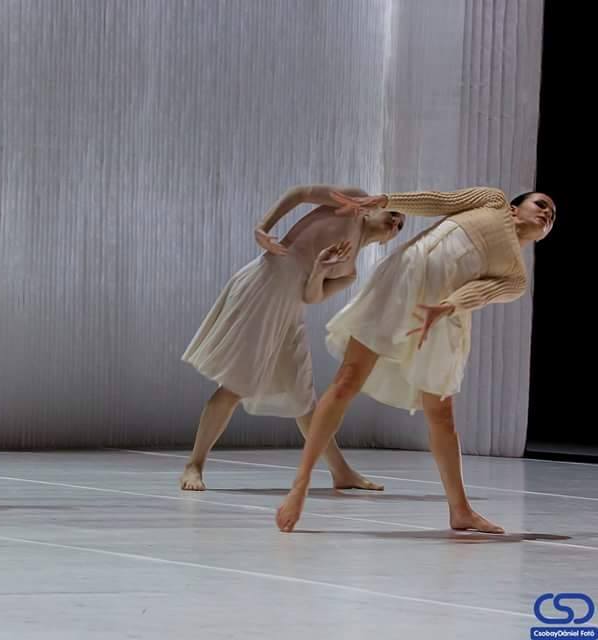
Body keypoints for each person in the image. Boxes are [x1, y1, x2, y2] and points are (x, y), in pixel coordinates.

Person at [275, 188, 556, 534]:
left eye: (553, 216)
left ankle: (461, 511)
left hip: (439, 312)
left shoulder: (516, 277)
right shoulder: (493, 201)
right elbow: (439, 202)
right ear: (515, 208)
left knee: (441, 412)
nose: (547, 213)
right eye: (541, 204)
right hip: (405, 278)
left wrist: (447, 307)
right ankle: (300, 485)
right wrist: (386, 201)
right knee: (348, 379)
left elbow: (478, 293)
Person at [180, 185, 404, 492]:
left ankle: (341, 471)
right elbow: (301, 194)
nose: (395, 223)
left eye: (400, 226)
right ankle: (194, 465)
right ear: (374, 209)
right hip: (266, 284)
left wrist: (320, 270)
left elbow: (311, 297)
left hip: (291, 309)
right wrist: (262, 228)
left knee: (302, 395)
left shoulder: (350, 272)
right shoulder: (352, 204)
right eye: (394, 214)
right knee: (236, 382)